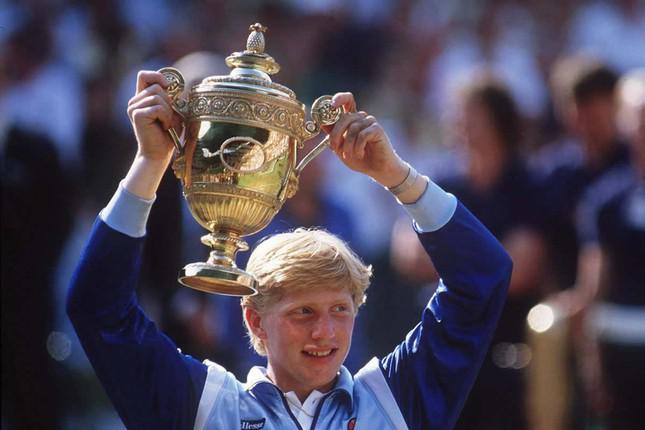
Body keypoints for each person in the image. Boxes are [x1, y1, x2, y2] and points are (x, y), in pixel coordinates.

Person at [67, 70, 512, 429]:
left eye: (340, 309)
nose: (326, 332)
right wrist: (150, 163)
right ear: (255, 320)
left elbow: (483, 278)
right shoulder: (204, 405)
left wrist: (396, 175)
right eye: (303, 312)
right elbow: (98, 307)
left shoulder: (396, 399)